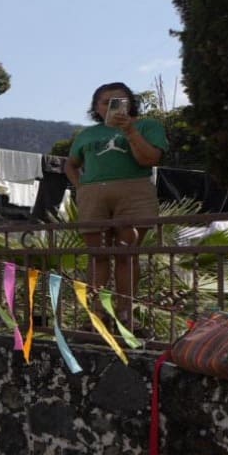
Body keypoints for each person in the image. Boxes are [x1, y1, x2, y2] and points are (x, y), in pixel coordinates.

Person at [65, 81, 167, 327]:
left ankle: (125, 314)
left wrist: (131, 131)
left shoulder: (147, 126)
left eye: (119, 101)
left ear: (130, 103)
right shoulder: (86, 134)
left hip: (134, 192)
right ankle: (96, 314)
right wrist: (81, 187)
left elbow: (151, 158)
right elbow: (70, 164)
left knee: (126, 253)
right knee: (97, 255)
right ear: (96, 108)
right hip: (93, 195)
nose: (112, 106)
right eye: (105, 102)